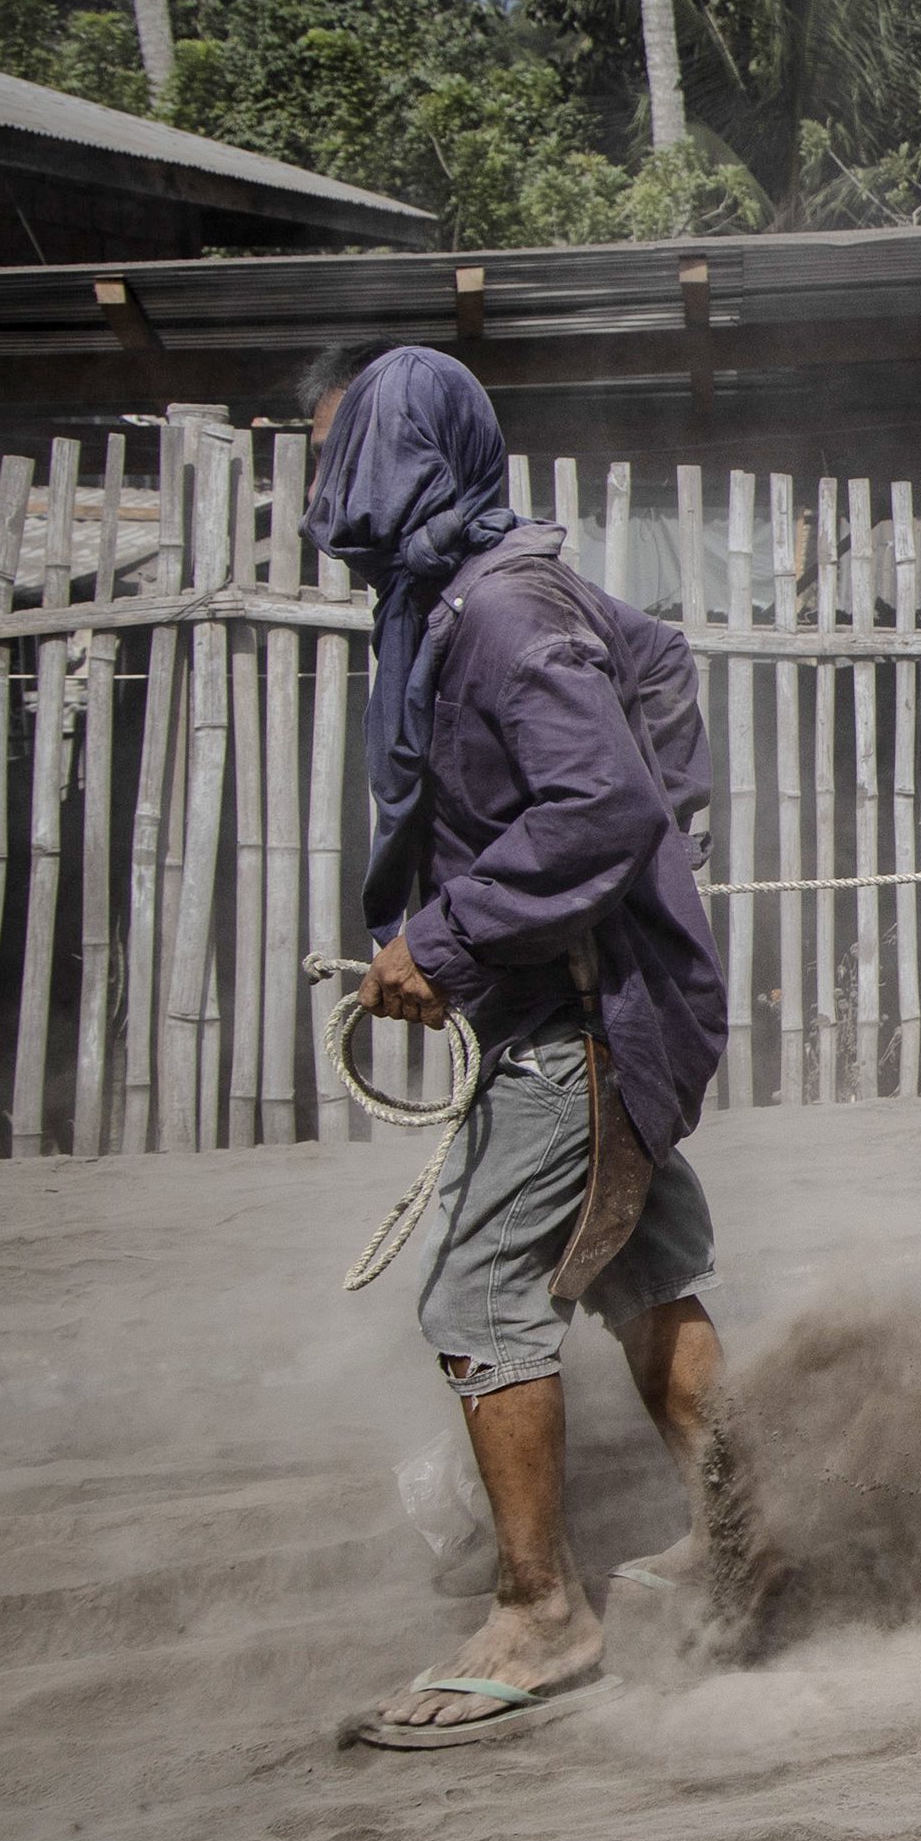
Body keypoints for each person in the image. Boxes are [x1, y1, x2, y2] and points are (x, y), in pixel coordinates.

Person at [299, 342, 735, 1751]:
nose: (326, 482)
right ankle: (752, 1538)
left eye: (344, 448)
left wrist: (458, 932)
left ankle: (541, 1608)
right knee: (644, 1270)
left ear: (411, 457)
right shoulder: (455, 597)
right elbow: (657, 668)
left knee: (481, 1297)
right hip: (574, 993)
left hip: (578, 1015)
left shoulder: (493, 611)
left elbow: (600, 799)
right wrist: (654, 855)